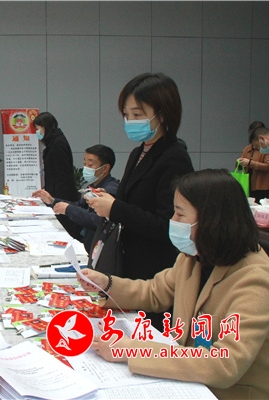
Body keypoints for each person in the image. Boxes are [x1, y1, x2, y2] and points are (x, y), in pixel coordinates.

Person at [80, 169, 269, 400]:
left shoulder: (254, 280)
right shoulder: (195, 256)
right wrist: (107, 284)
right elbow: (155, 292)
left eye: (180, 214)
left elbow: (225, 364)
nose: (172, 221)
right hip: (193, 382)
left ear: (212, 220)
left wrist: (130, 350)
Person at [87, 72, 194, 330]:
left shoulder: (174, 157)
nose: (130, 122)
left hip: (153, 269)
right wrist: (108, 200)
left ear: (162, 114)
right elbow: (130, 200)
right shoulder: (139, 152)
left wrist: (115, 208)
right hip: (129, 262)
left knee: (147, 334)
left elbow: (167, 224)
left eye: (137, 114)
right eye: (126, 115)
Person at [32, 144, 119, 253]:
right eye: (85, 164)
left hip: (99, 248)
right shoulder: (95, 186)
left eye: (90, 164)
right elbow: (78, 205)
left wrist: (68, 209)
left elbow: (97, 221)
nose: (86, 168)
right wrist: (53, 201)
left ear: (105, 168)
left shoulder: (109, 190)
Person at [33, 111, 82, 239]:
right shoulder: (53, 142)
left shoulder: (58, 144)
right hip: (54, 194)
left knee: (64, 231)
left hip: (62, 196)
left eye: (38, 129)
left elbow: (62, 175)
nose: (37, 132)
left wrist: (55, 200)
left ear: (46, 127)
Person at [237, 128, 269, 203]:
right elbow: (240, 167)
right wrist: (240, 162)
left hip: (261, 183)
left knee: (261, 204)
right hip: (247, 180)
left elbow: (267, 166)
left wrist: (250, 163)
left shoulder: (267, 149)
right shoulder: (247, 149)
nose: (254, 146)